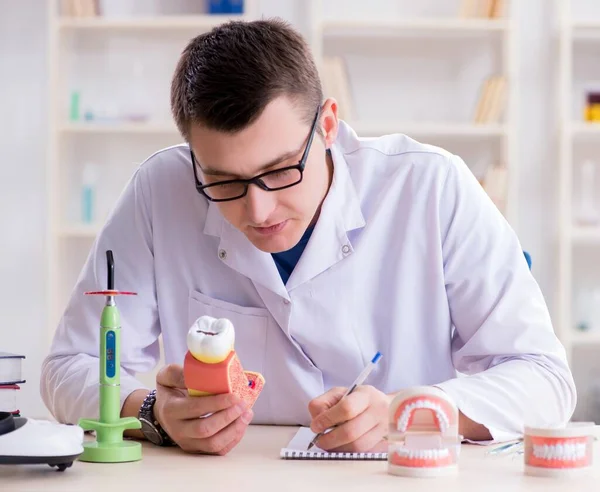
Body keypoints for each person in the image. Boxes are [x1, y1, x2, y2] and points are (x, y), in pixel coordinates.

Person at [41, 18, 576, 456]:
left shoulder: (431, 185)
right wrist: (152, 412)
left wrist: (408, 409)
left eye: (279, 171)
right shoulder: (160, 189)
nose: (258, 209)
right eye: (223, 182)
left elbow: (544, 379)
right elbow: (69, 366)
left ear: (328, 125)